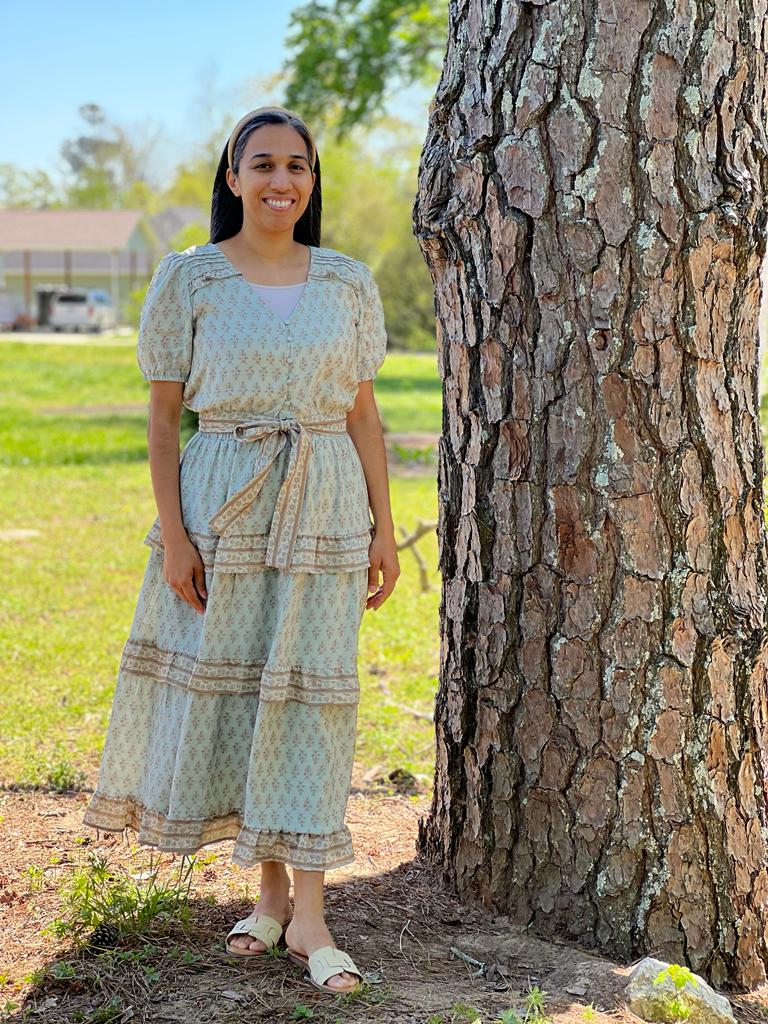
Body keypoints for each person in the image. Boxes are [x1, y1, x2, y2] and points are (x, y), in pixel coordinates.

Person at [82, 104, 400, 995]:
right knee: (250, 693)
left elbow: (365, 416)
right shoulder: (190, 279)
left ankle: (311, 916)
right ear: (232, 178)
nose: (281, 181)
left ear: (311, 181)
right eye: (261, 165)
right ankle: (268, 903)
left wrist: (385, 526)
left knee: (308, 697)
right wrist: (175, 536)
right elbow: (160, 418)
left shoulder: (345, 281)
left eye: (297, 166)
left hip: (326, 500)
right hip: (221, 503)